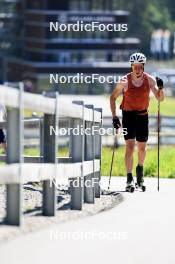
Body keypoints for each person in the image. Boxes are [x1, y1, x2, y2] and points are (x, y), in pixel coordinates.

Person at [110, 52, 165, 192]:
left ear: (143, 66)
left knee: (142, 148)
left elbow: (160, 99)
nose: (137, 69)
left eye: (140, 67)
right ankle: (129, 178)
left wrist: (161, 88)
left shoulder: (150, 80)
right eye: (135, 67)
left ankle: (139, 173)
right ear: (131, 67)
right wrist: (115, 117)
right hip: (128, 116)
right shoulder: (124, 81)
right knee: (129, 147)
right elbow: (112, 98)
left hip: (142, 116)